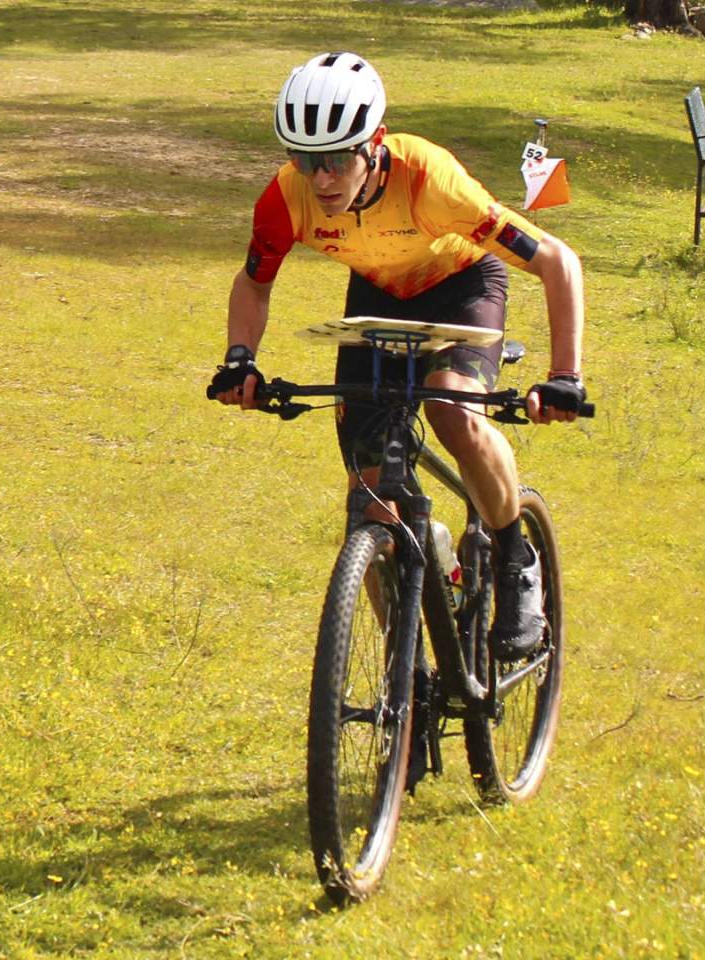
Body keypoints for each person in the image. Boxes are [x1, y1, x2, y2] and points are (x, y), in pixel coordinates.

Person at [209, 51, 588, 660]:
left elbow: (556, 262)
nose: (322, 179)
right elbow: (255, 280)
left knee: (454, 414)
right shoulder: (285, 199)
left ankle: (515, 557)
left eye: (335, 160)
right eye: (305, 161)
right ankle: (402, 679)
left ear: (375, 144)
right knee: (369, 490)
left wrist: (565, 375)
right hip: (378, 293)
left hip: (463, 286)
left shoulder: (431, 181)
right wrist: (239, 361)